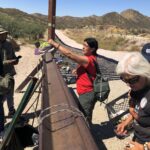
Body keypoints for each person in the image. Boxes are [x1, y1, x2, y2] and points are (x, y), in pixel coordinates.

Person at [48, 37, 98, 123]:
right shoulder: (90, 58)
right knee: (82, 115)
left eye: (85, 46)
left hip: (87, 93)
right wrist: (77, 71)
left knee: (84, 118)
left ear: (92, 49)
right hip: (85, 92)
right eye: (83, 45)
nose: (83, 47)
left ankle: (87, 135)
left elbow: (69, 54)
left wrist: (54, 43)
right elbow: (87, 70)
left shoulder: (88, 60)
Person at [115, 52, 150, 150]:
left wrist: (144, 147)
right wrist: (126, 122)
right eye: (124, 80)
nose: (128, 84)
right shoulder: (136, 89)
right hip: (138, 137)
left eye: (132, 80)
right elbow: (139, 110)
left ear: (144, 72)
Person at [0, 26, 19, 116]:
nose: (4, 35)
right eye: (2, 34)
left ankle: (11, 111)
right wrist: (10, 61)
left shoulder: (8, 44)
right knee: (2, 96)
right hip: (1, 76)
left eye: (5, 33)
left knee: (10, 94)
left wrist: (15, 60)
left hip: (9, 73)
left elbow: (13, 56)